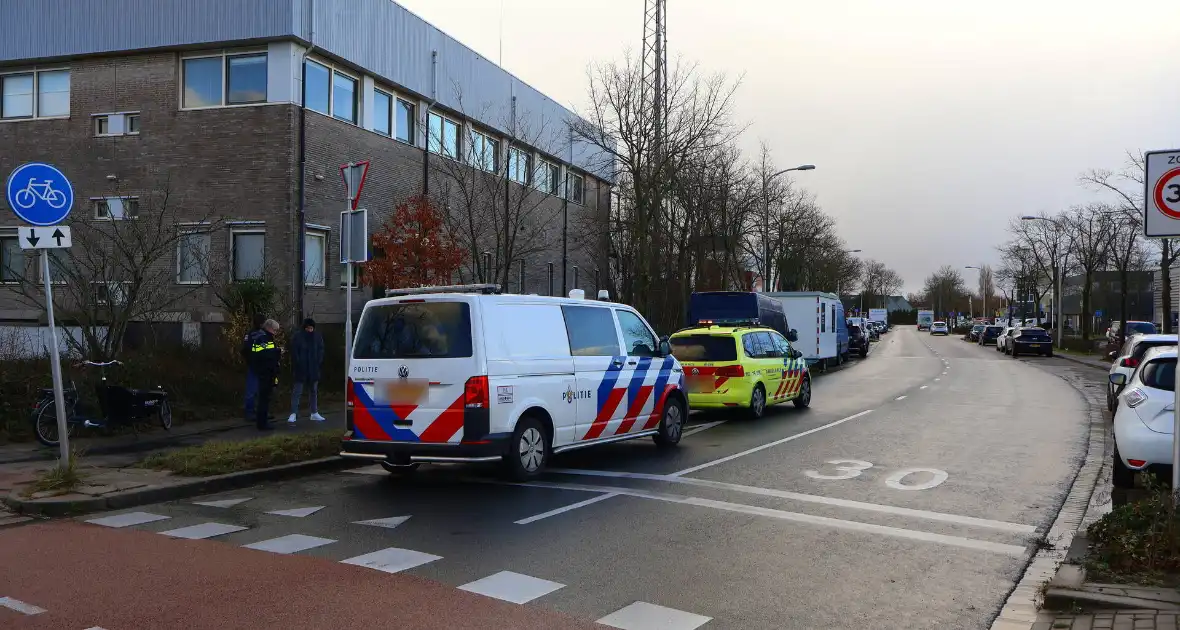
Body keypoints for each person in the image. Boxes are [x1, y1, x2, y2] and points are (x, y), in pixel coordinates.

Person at [288, 318, 326, 424]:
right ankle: (293, 413)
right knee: (297, 391)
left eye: (311, 328)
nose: (310, 330)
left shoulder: (317, 336)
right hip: (302, 368)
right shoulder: (297, 337)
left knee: (313, 391)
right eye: (308, 328)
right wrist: (299, 363)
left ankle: (314, 412)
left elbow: (321, 349)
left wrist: (318, 361)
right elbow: (294, 352)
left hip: (313, 368)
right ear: (304, 327)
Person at [248, 319, 283, 431]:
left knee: (265, 398)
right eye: (275, 330)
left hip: (268, 371)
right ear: (269, 327)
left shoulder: (265, 336)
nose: (276, 332)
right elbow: (262, 353)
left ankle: (263, 421)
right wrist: (278, 351)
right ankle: (262, 424)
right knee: (263, 398)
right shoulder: (262, 337)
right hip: (265, 371)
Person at [241, 313, 266, 419]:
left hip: (259, 365)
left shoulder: (255, 334)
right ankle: (250, 412)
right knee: (252, 390)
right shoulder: (254, 334)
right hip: (256, 365)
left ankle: (257, 411)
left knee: (259, 390)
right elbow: (246, 350)